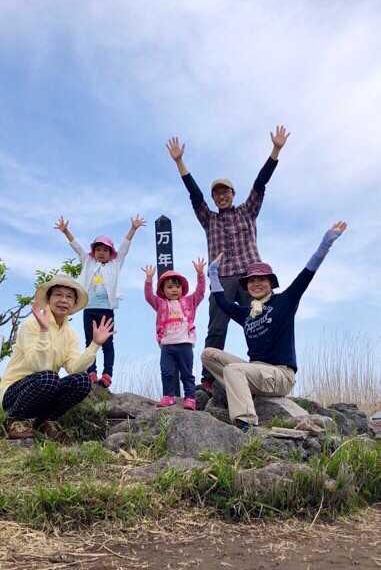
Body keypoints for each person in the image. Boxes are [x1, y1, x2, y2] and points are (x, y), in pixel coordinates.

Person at [166, 127, 290, 393]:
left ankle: (263, 371)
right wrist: (180, 163)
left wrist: (276, 150)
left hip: (250, 278)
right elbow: (195, 196)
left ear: (233, 194)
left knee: (259, 323)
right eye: (217, 194)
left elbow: (260, 184)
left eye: (226, 192)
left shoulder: (247, 211)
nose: (221, 197)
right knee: (217, 327)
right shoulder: (209, 219)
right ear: (214, 198)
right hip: (221, 280)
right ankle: (208, 379)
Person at [202, 222, 347, 431]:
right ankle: (243, 391)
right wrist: (213, 273)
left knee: (233, 370)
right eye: (251, 281)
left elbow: (307, 274)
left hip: (280, 375)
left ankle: (246, 423)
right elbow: (223, 303)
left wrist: (326, 244)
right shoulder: (248, 312)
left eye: (261, 279)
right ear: (247, 287)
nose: (256, 284)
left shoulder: (285, 301)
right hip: (256, 371)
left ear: (271, 283)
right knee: (208, 354)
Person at [0, 274, 114, 440]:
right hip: (13, 393)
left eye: (69, 296)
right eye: (58, 295)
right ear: (49, 299)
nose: (63, 300)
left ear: (74, 303)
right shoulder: (31, 324)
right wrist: (44, 331)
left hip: (45, 389)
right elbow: (38, 366)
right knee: (49, 377)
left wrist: (95, 344)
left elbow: (74, 368)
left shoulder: (70, 334)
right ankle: (14, 420)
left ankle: (44, 421)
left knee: (83, 380)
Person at [55, 214, 146, 388]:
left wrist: (133, 229)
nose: (101, 253)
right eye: (98, 250)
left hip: (106, 310)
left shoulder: (115, 264)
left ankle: (107, 374)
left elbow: (124, 247)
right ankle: (91, 372)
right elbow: (77, 247)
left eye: (105, 250)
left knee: (107, 343)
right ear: (94, 252)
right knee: (90, 342)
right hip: (89, 309)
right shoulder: (88, 262)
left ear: (110, 253)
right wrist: (66, 231)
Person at [143, 259, 206, 410]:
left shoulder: (189, 301)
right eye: (170, 287)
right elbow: (149, 296)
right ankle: (168, 396)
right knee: (167, 372)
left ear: (182, 288)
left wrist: (200, 275)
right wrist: (149, 280)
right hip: (167, 345)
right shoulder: (160, 304)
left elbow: (200, 292)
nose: (174, 290)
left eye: (177, 286)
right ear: (163, 290)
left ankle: (190, 398)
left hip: (185, 344)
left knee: (186, 373)